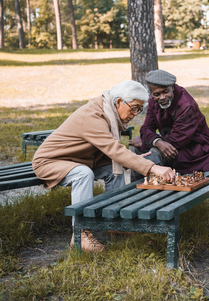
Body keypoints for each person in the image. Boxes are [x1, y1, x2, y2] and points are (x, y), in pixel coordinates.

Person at [32, 80, 175, 252]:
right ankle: (80, 234)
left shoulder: (108, 111)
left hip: (78, 159)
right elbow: (114, 149)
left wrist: (133, 160)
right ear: (119, 102)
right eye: (134, 108)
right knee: (83, 174)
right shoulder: (93, 116)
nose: (135, 114)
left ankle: (115, 222)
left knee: (114, 168)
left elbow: (115, 153)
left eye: (139, 110)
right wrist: (152, 167)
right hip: (50, 161)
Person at [129, 69, 209, 179]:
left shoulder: (186, 105)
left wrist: (150, 142)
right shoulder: (153, 101)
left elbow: (176, 140)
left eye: (165, 92)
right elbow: (146, 128)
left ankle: (154, 194)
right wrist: (156, 141)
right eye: (157, 94)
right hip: (169, 144)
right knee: (134, 150)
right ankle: (135, 191)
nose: (162, 97)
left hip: (193, 149)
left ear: (172, 87)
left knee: (153, 155)